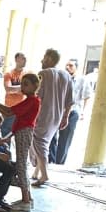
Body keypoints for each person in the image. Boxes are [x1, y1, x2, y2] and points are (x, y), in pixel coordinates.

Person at [0, 74, 41, 211]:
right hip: (21, 131)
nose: (22, 87)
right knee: (21, 163)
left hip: (24, 132)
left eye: (26, 84)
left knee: (21, 164)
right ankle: (27, 197)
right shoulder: (30, 100)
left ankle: (25, 200)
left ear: (35, 86)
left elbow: (9, 112)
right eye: (22, 84)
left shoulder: (32, 101)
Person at [30, 48, 73, 186]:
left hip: (43, 113)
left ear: (49, 59)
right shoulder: (66, 75)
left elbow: (37, 96)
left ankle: (44, 175)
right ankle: (37, 172)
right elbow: (69, 100)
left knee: (39, 142)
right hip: (58, 115)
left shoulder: (43, 74)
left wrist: (31, 114)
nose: (42, 60)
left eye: (44, 57)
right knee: (44, 142)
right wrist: (65, 116)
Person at [49, 59, 92, 165]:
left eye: (71, 66)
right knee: (52, 135)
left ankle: (59, 162)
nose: (68, 67)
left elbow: (87, 96)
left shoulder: (82, 80)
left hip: (73, 111)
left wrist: (82, 112)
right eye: (66, 65)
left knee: (65, 138)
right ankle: (51, 160)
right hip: (59, 110)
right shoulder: (61, 78)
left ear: (76, 67)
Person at [1, 52, 27, 136]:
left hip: (23, 109)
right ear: (16, 59)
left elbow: (30, 90)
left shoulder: (28, 74)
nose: (25, 60)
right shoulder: (9, 74)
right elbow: (8, 89)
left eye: (25, 58)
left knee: (20, 134)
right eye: (23, 58)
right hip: (10, 108)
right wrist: (23, 87)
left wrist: (16, 89)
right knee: (6, 131)